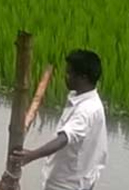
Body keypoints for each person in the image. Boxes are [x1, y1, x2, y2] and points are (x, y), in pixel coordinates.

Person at [12, 49, 107, 190]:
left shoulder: (86, 110)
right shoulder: (84, 99)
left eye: (70, 73)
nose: (65, 77)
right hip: (72, 179)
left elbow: (64, 138)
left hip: (67, 184)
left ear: (83, 77)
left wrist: (31, 155)